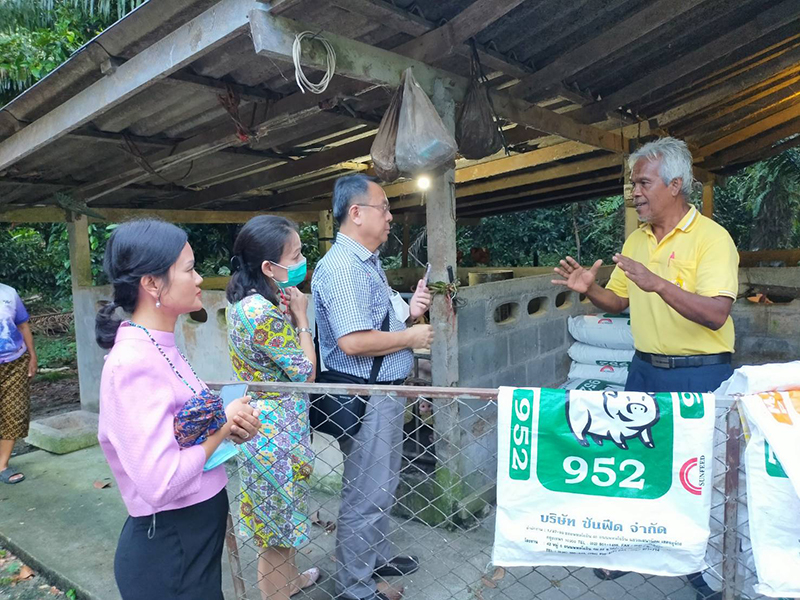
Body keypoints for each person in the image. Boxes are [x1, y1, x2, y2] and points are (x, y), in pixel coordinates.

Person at [553, 136, 738, 600]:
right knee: (636, 463)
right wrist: (589, 290)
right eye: (632, 184)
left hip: (701, 373)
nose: (633, 192)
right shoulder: (636, 238)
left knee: (701, 470)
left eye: (642, 183)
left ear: (675, 185)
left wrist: (657, 283)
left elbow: (716, 313)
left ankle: (702, 565)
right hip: (645, 371)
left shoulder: (712, 239)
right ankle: (631, 549)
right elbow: (619, 300)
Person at [95, 219, 261, 600]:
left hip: (192, 546)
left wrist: (230, 429)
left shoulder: (162, 345)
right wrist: (223, 424)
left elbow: (182, 436)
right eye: (189, 269)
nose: (200, 278)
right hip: (170, 553)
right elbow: (160, 481)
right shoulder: (132, 363)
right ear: (152, 283)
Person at [312, 174, 434, 600]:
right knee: (366, 492)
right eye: (383, 208)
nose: (389, 217)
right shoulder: (344, 267)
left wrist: (408, 314)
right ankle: (356, 586)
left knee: (382, 484)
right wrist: (411, 338)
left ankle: (376, 558)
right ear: (356, 213)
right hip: (366, 395)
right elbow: (353, 341)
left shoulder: (366, 262)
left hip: (383, 390)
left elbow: (378, 321)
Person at [226, 215, 321, 600]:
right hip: (273, 435)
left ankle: (291, 581)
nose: (301, 262)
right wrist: (301, 320)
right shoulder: (259, 312)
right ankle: (276, 593)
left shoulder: (251, 301)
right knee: (275, 534)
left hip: (273, 428)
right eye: (295, 254)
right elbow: (306, 374)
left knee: (282, 521)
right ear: (269, 266)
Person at [0, 283, 37, 484]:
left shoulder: (9, 293)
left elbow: (23, 325)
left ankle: (2, 465)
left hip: (15, 362)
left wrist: (32, 356)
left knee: (14, 412)